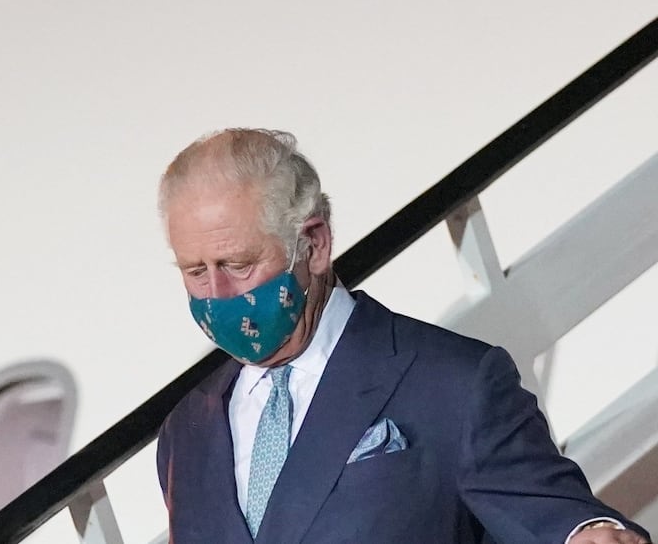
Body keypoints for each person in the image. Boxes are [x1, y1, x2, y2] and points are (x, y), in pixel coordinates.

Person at [155, 128, 651, 543]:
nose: (217, 294)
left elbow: (552, 514)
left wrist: (587, 530)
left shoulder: (453, 382)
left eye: (238, 265)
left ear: (315, 244)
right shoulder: (185, 433)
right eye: (195, 271)